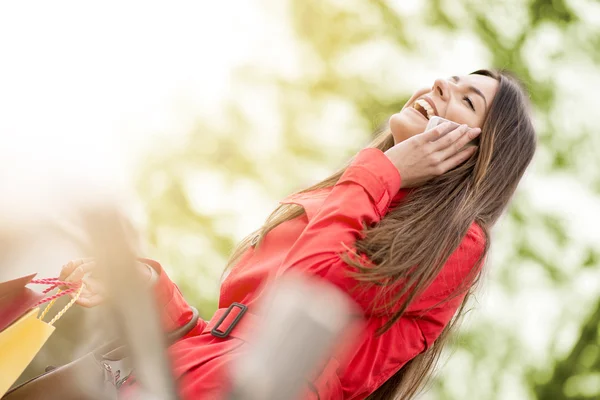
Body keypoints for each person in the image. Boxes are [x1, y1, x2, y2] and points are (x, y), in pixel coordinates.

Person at [60, 69, 536, 399]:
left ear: (479, 156)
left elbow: (306, 293)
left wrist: (380, 171)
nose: (440, 84)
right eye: (450, 79)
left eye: (467, 99)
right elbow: (228, 331)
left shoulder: (457, 244)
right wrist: (147, 288)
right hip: (180, 374)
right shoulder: (354, 193)